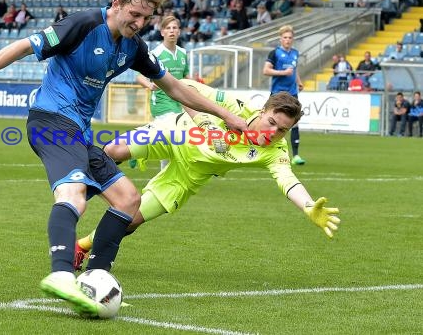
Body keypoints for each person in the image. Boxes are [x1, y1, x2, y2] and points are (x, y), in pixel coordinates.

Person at [0, 0, 248, 317]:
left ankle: (96, 276)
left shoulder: (134, 47)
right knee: (73, 195)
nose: (139, 22)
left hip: (79, 132)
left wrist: (227, 116)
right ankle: (60, 274)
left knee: (128, 199)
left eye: (146, 18)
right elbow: (26, 45)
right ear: (116, 4)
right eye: (134, 14)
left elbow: (175, 88)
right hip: (51, 121)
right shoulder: (84, 23)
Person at [74, 80, 341, 270]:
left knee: (131, 220)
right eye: (271, 122)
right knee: (112, 149)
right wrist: (204, 122)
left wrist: (308, 206)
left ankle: (83, 245)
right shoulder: (238, 107)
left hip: (189, 175)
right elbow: (186, 89)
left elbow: (288, 180)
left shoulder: (275, 151)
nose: (273, 132)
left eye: (282, 130)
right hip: (174, 133)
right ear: (262, 112)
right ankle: (76, 194)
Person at [133, 15, 189, 170]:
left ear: (179, 31)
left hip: (180, 103)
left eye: (174, 28)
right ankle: (140, 144)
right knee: (174, 137)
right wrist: (149, 85)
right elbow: (139, 76)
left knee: (171, 142)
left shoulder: (183, 53)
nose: (171, 31)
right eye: (168, 28)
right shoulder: (156, 53)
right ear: (162, 32)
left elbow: (186, 78)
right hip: (162, 103)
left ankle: (140, 146)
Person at [263, 25, 305, 165]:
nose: (288, 40)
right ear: (280, 39)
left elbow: (294, 70)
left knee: (294, 123)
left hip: (292, 93)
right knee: (270, 122)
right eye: (285, 37)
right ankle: (262, 149)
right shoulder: (274, 53)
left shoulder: (295, 53)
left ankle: (296, 156)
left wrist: (298, 82)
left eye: (290, 38)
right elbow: (266, 70)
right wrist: (282, 73)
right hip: (277, 94)